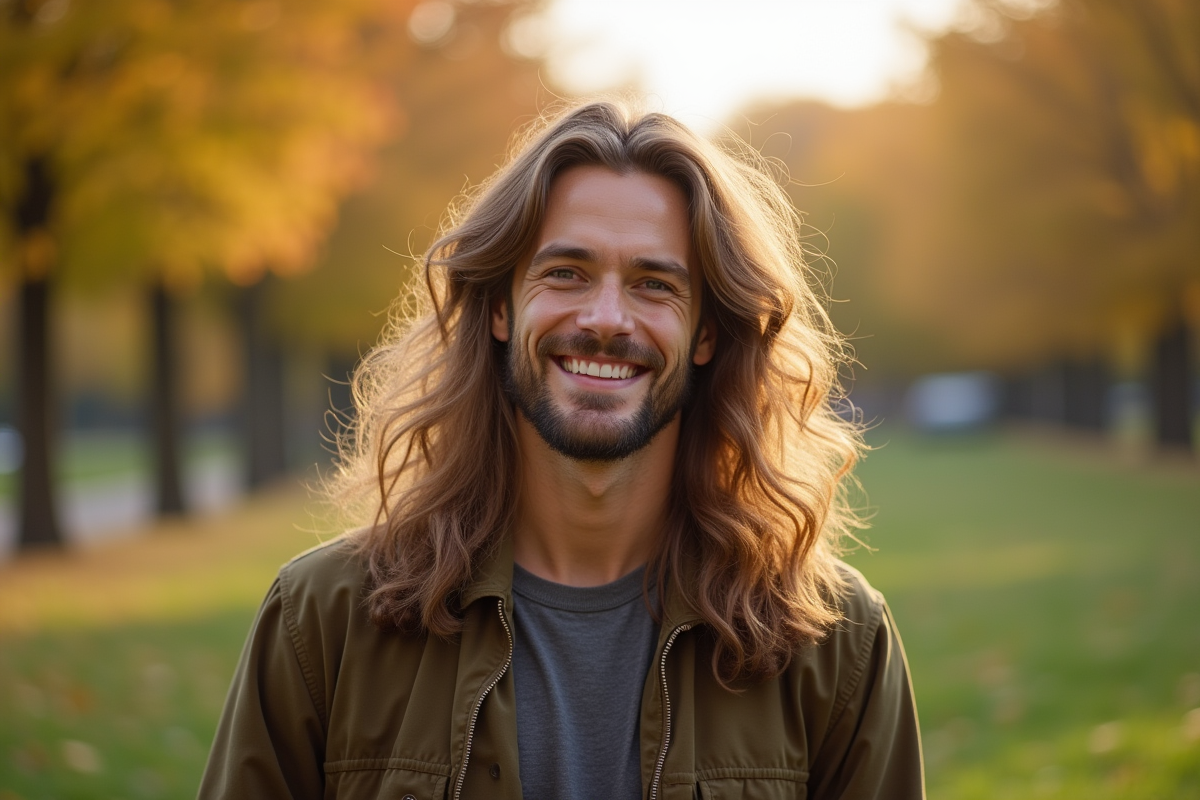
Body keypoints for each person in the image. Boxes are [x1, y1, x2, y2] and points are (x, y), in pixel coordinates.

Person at [198, 100, 924, 800]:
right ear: (503, 309)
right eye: (566, 273)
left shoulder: (835, 644)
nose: (606, 319)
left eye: (654, 284)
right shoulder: (322, 620)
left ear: (706, 334)